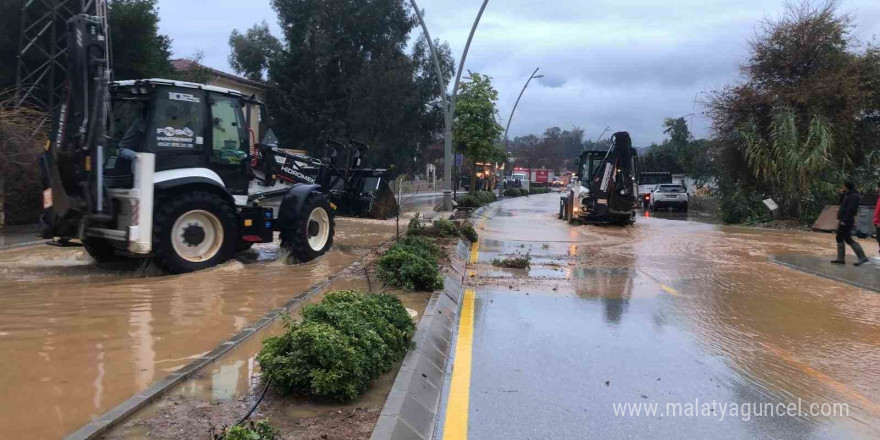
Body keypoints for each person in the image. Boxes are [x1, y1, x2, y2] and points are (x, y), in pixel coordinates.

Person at [831, 181, 869, 266]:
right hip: (844, 219)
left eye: (843, 186)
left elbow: (850, 209)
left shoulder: (854, 196)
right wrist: (842, 194)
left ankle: (862, 257)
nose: (842, 188)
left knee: (847, 238)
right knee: (839, 238)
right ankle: (840, 259)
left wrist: (844, 220)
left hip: (847, 220)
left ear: (847, 187)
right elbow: (841, 204)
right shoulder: (847, 194)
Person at [873, 182, 880, 261]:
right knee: (878, 238)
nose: (877, 189)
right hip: (877, 222)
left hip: (879, 223)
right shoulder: (879, 198)